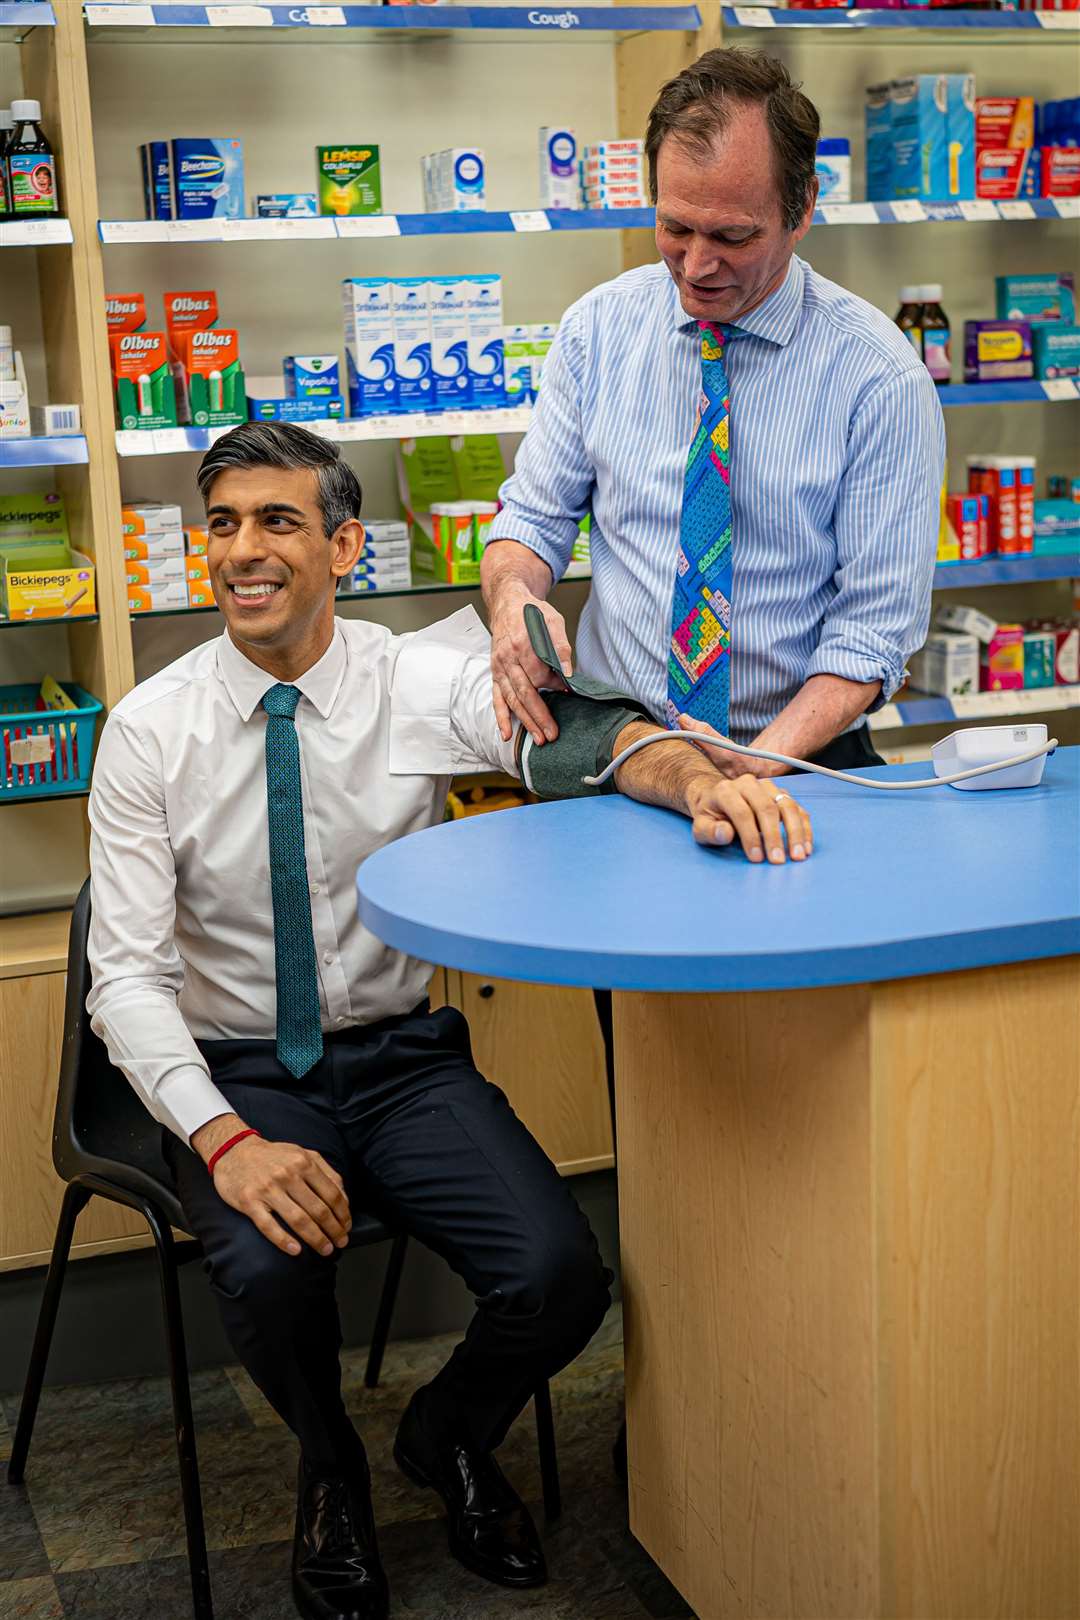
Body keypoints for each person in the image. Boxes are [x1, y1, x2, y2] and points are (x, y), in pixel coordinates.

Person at [86, 421, 813, 1620]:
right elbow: (124, 978)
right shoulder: (149, 728)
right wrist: (228, 1143)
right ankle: (333, 1474)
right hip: (240, 1074)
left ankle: (447, 1432)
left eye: (277, 521)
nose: (243, 552)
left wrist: (696, 777)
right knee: (268, 1280)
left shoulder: (409, 677)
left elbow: (570, 737)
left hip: (399, 1061)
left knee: (560, 1272)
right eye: (221, 525)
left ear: (345, 544)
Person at [482, 45, 945, 777]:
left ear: (802, 210)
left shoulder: (878, 377)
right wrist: (513, 599)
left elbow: (872, 632)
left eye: (733, 236)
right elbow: (533, 521)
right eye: (676, 228)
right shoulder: (597, 331)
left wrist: (754, 766)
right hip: (620, 746)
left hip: (802, 755)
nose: (697, 266)